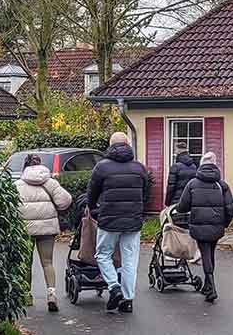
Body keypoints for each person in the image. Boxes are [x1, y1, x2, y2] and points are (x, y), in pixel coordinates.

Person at [87, 132, 149, 314]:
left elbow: (92, 193)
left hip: (109, 219)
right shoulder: (139, 168)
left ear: (110, 144)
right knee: (130, 259)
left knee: (103, 254)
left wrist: (92, 208)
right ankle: (128, 300)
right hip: (133, 220)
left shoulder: (102, 168)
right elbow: (145, 193)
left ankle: (114, 287)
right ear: (128, 144)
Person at [15, 154, 73, 312]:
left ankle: (26, 296)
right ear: (40, 165)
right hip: (47, 229)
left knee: (25, 263)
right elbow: (66, 200)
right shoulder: (51, 183)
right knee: (47, 262)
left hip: (25, 229)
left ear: (25, 167)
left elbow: (12, 208)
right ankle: (52, 295)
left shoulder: (17, 185)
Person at [175, 152, 233, 303]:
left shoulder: (193, 184)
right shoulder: (222, 185)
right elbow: (230, 207)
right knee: (210, 252)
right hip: (216, 226)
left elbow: (182, 207)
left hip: (199, 225)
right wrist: (225, 223)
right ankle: (208, 286)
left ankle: (211, 287)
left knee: (205, 252)